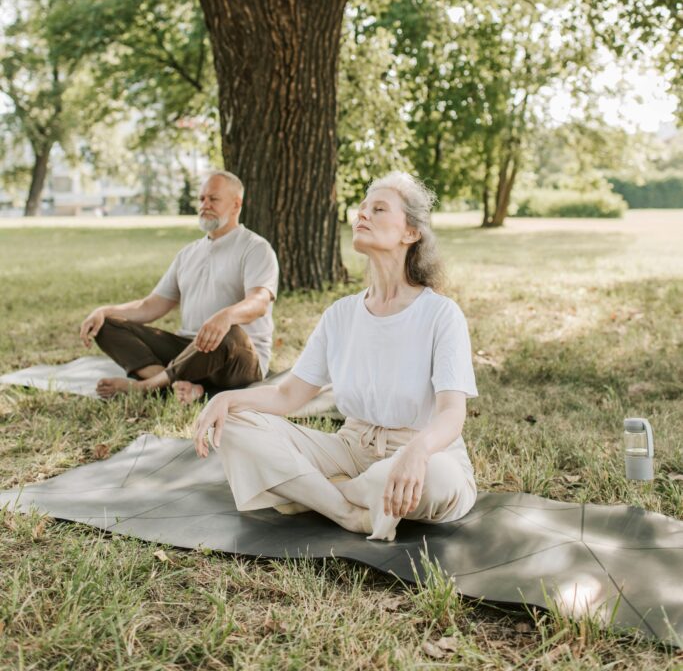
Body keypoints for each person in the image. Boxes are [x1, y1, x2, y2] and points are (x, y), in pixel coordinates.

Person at [193, 171, 478, 541]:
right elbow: (287, 396)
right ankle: (346, 510)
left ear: (411, 233)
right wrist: (227, 399)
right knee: (233, 423)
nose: (362, 215)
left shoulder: (441, 313)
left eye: (378, 209)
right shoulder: (341, 314)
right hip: (349, 448)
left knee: (437, 481)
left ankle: (312, 492)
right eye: (361, 209)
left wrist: (418, 452)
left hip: (421, 451)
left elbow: (452, 414)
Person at [79, 171, 279, 404]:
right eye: (201, 199)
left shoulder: (255, 248)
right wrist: (103, 311)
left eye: (213, 199)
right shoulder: (188, 253)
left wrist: (226, 316)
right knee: (108, 324)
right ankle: (180, 387)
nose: (205, 205)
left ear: (236, 204)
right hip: (188, 350)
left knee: (229, 332)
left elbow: (259, 302)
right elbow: (150, 305)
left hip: (236, 357)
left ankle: (148, 386)